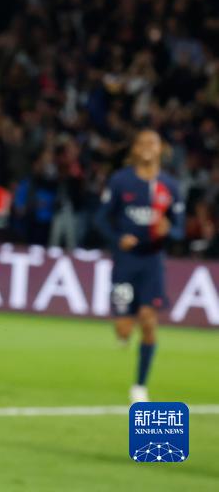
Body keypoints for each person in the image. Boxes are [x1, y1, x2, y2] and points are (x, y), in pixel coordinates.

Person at [94, 129, 185, 405]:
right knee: (124, 328)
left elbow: (179, 230)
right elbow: (101, 218)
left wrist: (168, 231)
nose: (147, 147)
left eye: (152, 143)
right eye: (142, 142)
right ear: (134, 149)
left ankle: (139, 386)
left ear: (161, 149)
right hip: (125, 262)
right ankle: (123, 329)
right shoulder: (121, 181)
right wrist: (117, 238)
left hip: (152, 261)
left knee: (148, 320)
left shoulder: (170, 187)